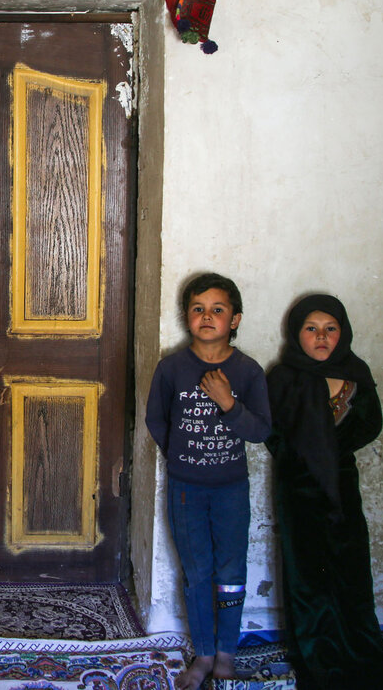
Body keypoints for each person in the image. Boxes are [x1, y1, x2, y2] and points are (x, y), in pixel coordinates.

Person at [145, 272, 271, 690]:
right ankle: (202, 653)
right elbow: (156, 419)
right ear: (186, 316)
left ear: (234, 319)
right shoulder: (173, 368)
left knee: (231, 568)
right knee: (197, 571)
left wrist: (228, 403)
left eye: (218, 310)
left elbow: (260, 430)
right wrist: (181, 454)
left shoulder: (247, 371)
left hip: (232, 487)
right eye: (198, 309)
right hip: (186, 488)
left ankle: (226, 654)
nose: (207, 317)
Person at [265, 295, 383, 690]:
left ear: (343, 333)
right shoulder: (283, 378)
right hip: (298, 490)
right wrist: (305, 453)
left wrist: (331, 451)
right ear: (296, 333)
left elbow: (371, 424)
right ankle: (321, 669)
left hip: (341, 489)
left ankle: (364, 665)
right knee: (309, 583)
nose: (321, 337)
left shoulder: (356, 373)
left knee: (352, 578)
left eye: (330, 329)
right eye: (311, 328)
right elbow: (272, 432)